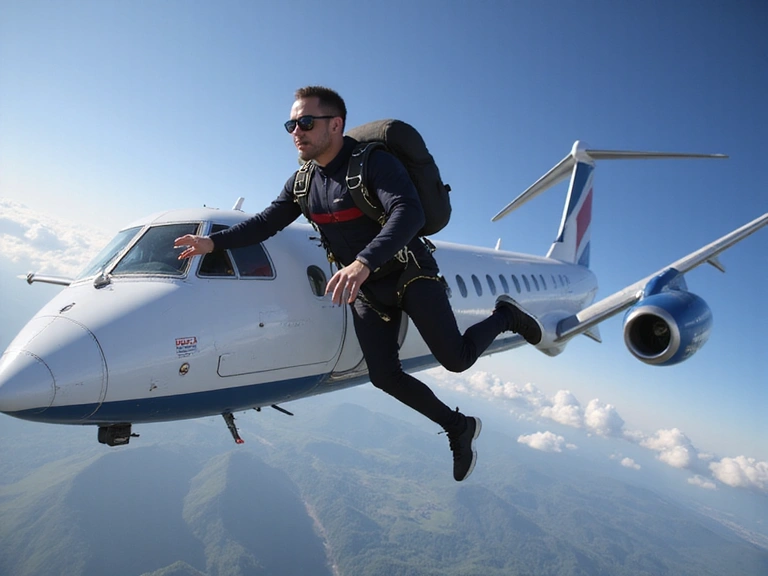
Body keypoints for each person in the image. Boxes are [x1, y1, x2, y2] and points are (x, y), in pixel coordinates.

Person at [175, 86, 542, 482]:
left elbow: (408, 211)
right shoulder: (302, 183)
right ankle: (459, 426)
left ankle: (506, 316)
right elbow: (265, 222)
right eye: (291, 124)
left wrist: (363, 262)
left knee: (456, 359)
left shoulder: (371, 163)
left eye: (305, 122)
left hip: (409, 273)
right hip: (368, 290)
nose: (295, 131)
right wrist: (213, 242)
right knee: (384, 376)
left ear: (335, 125)